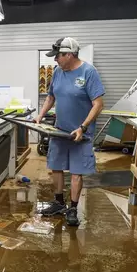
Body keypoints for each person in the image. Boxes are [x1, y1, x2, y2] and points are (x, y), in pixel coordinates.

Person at [34, 37, 105, 226]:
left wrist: (83, 127)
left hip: (80, 134)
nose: (55, 60)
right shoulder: (58, 72)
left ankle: (72, 208)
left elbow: (98, 104)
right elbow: (51, 97)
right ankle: (58, 203)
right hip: (60, 131)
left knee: (75, 172)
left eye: (58, 56)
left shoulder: (89, 72)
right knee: (56, 167)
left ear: (69, 54)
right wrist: (40, 116)